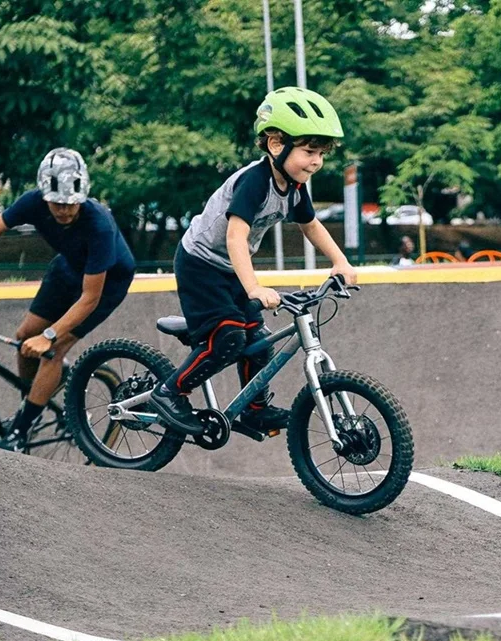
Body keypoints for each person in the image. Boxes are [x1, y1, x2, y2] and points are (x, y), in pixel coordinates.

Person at [148, 86, 358, 436]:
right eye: (309, 151)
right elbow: (235, 236)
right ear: (277, 145)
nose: (317, 161)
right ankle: (169, 392)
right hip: (201, 264)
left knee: (257, 339)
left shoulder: (294, 186)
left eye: (321, 153)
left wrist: (341, 262)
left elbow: (311, 225)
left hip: (232, 266)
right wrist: (255, 287)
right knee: (228, 338)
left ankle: (254, 411)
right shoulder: (254, 182)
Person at [0, 148, 135, 450]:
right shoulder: (31, 202)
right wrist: (37, 337)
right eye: (57, 203)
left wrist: (50, 336)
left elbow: (89, 298)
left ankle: (20, 431)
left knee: (51, 349)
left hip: (106, 283)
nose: (65, 210)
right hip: (67, 267)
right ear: (44, 195)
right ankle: (32, 403)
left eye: (72, 203)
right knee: (23, 339)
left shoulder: (99, 223)